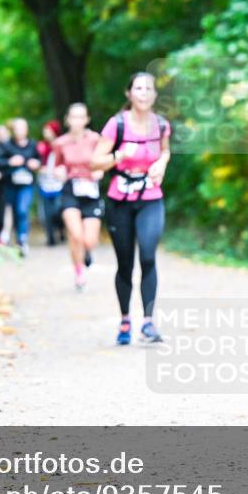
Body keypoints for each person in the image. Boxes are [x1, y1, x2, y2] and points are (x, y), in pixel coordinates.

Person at [91, 72, 171, 345]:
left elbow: (165, 151)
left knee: (148, 256)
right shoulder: (117, 125)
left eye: (149, 88)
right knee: (125, 263)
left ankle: (148, 323)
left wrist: (161, 164)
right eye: (138, 88)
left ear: (155, 95)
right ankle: (125, 320)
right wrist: (118, 156)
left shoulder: (161, 125)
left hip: (150, 196)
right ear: (129, 94)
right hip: (120, 200)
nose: (144, 93)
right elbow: (94, 163)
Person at [54, 103, 104, 291]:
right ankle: (79, 272)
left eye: (81, 117)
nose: (77, 121)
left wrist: (100, 171)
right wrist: (59, 172)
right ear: (68, 119)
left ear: (87, 119)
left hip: (91, 190)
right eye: (73, 117)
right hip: (70, 189)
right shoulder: (60, 143)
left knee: (89, 240)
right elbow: (57, 165)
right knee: (75, 234)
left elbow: (103, 161)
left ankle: (86, 252)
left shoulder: (95, 139)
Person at [2, 118, 41, 257]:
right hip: (10, 185)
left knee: (22, 210)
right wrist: (9, 162)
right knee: (14, 212)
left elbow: (40, 160)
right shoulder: (6, 146)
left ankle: (22, 239)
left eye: (22, 128)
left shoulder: (33, 145)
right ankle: (17, 238)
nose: (19, 131)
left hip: (27, 185)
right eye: (17, 129)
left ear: (26, 130)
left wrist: (35, 164)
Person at [36, 120, 65, 246]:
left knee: (58, 210)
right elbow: (35, 161)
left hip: (60, 183)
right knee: (46, 213)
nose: (46, 133)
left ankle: (61, 230)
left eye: (48, 130)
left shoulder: (62, 145)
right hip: (45, 184)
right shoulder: (41, 147)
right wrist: (39, 168)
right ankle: (51, 237)